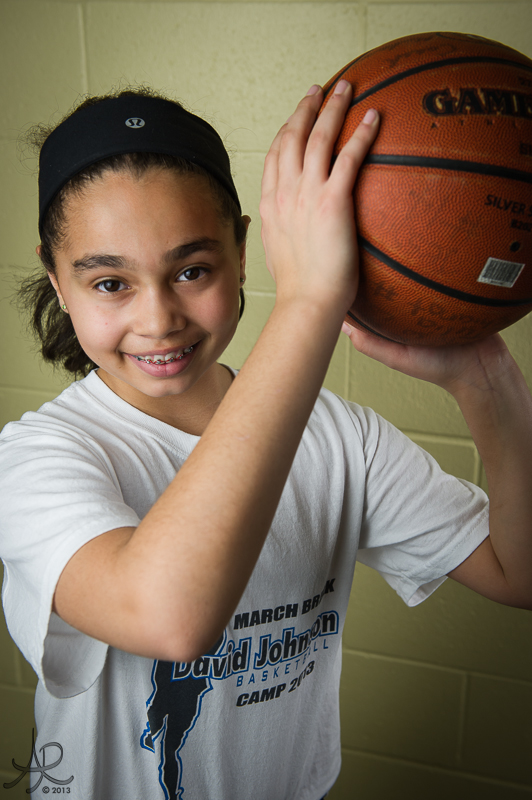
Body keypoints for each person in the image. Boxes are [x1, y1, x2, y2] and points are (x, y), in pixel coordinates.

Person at [0, 83, 531, 800]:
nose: (158, 319)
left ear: (242, 250)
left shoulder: (340, 438)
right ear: (58, 281)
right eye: (109, 283)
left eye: (192, 271)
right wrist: (308, 300)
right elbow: (169, 617)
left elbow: (519, 573)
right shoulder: (35, 459)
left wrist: (488, 381)